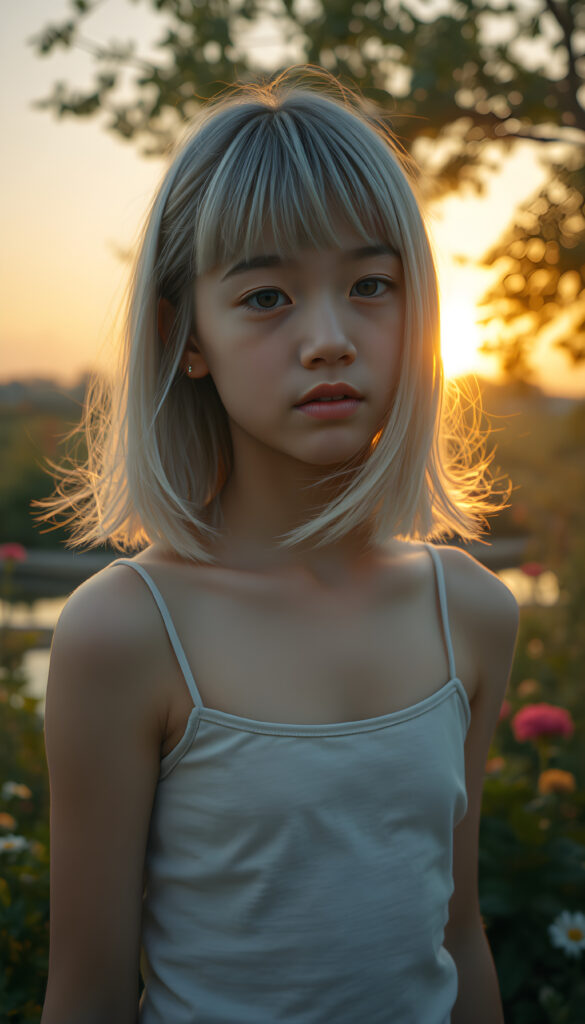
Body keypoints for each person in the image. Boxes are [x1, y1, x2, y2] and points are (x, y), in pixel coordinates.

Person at [39, 66, 518, 1024]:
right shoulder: (125, 632)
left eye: (371, 285)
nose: (329, 338)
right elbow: (89, 991)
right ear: (185, 335)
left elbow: (457, 934)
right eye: (266, 297)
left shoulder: (468, 610)